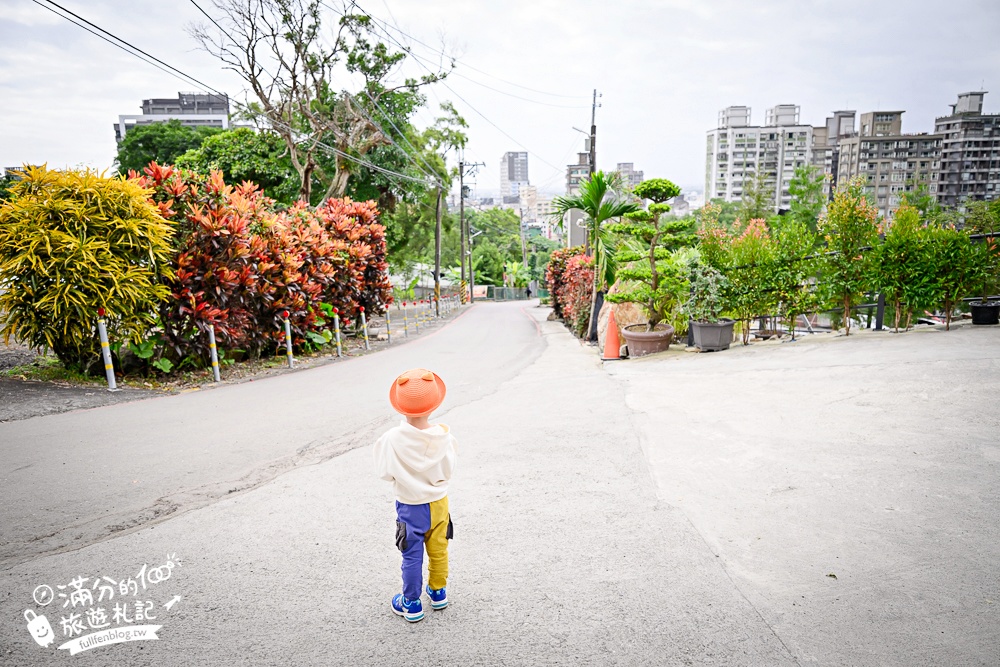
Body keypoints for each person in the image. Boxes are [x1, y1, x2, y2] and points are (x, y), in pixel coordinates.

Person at [373, 368, 458, 622]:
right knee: (439, 548)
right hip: (439, 503)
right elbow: (449, 470)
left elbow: (384, 473)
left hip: (411, 506)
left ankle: (410, 602)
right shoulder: (445, 438)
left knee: (411, 554)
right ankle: (438, 590)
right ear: (435, 404)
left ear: (400, 406)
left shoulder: (390, 440)